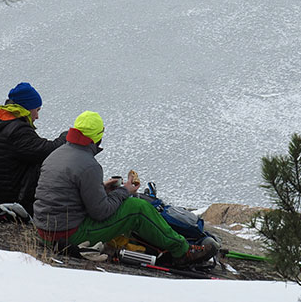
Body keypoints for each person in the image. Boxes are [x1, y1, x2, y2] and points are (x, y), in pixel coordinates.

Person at [33, 111, 213, 266]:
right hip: (69, 235)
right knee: (137, 209)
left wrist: (102, 188)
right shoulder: (89, 164)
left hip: (45, 231)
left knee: (125, 203)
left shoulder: (57, 154)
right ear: (97, 137)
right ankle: (183, 251)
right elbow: (101, 212)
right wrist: (124, 191)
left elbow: (67, 193)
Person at [0, 82, 66, 217]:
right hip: (16, 198)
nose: (37, 116)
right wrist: (67, 136)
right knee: (49, 164)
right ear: (27, 108)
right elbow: (48, 151)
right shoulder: (16, 130)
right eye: (37, 110)